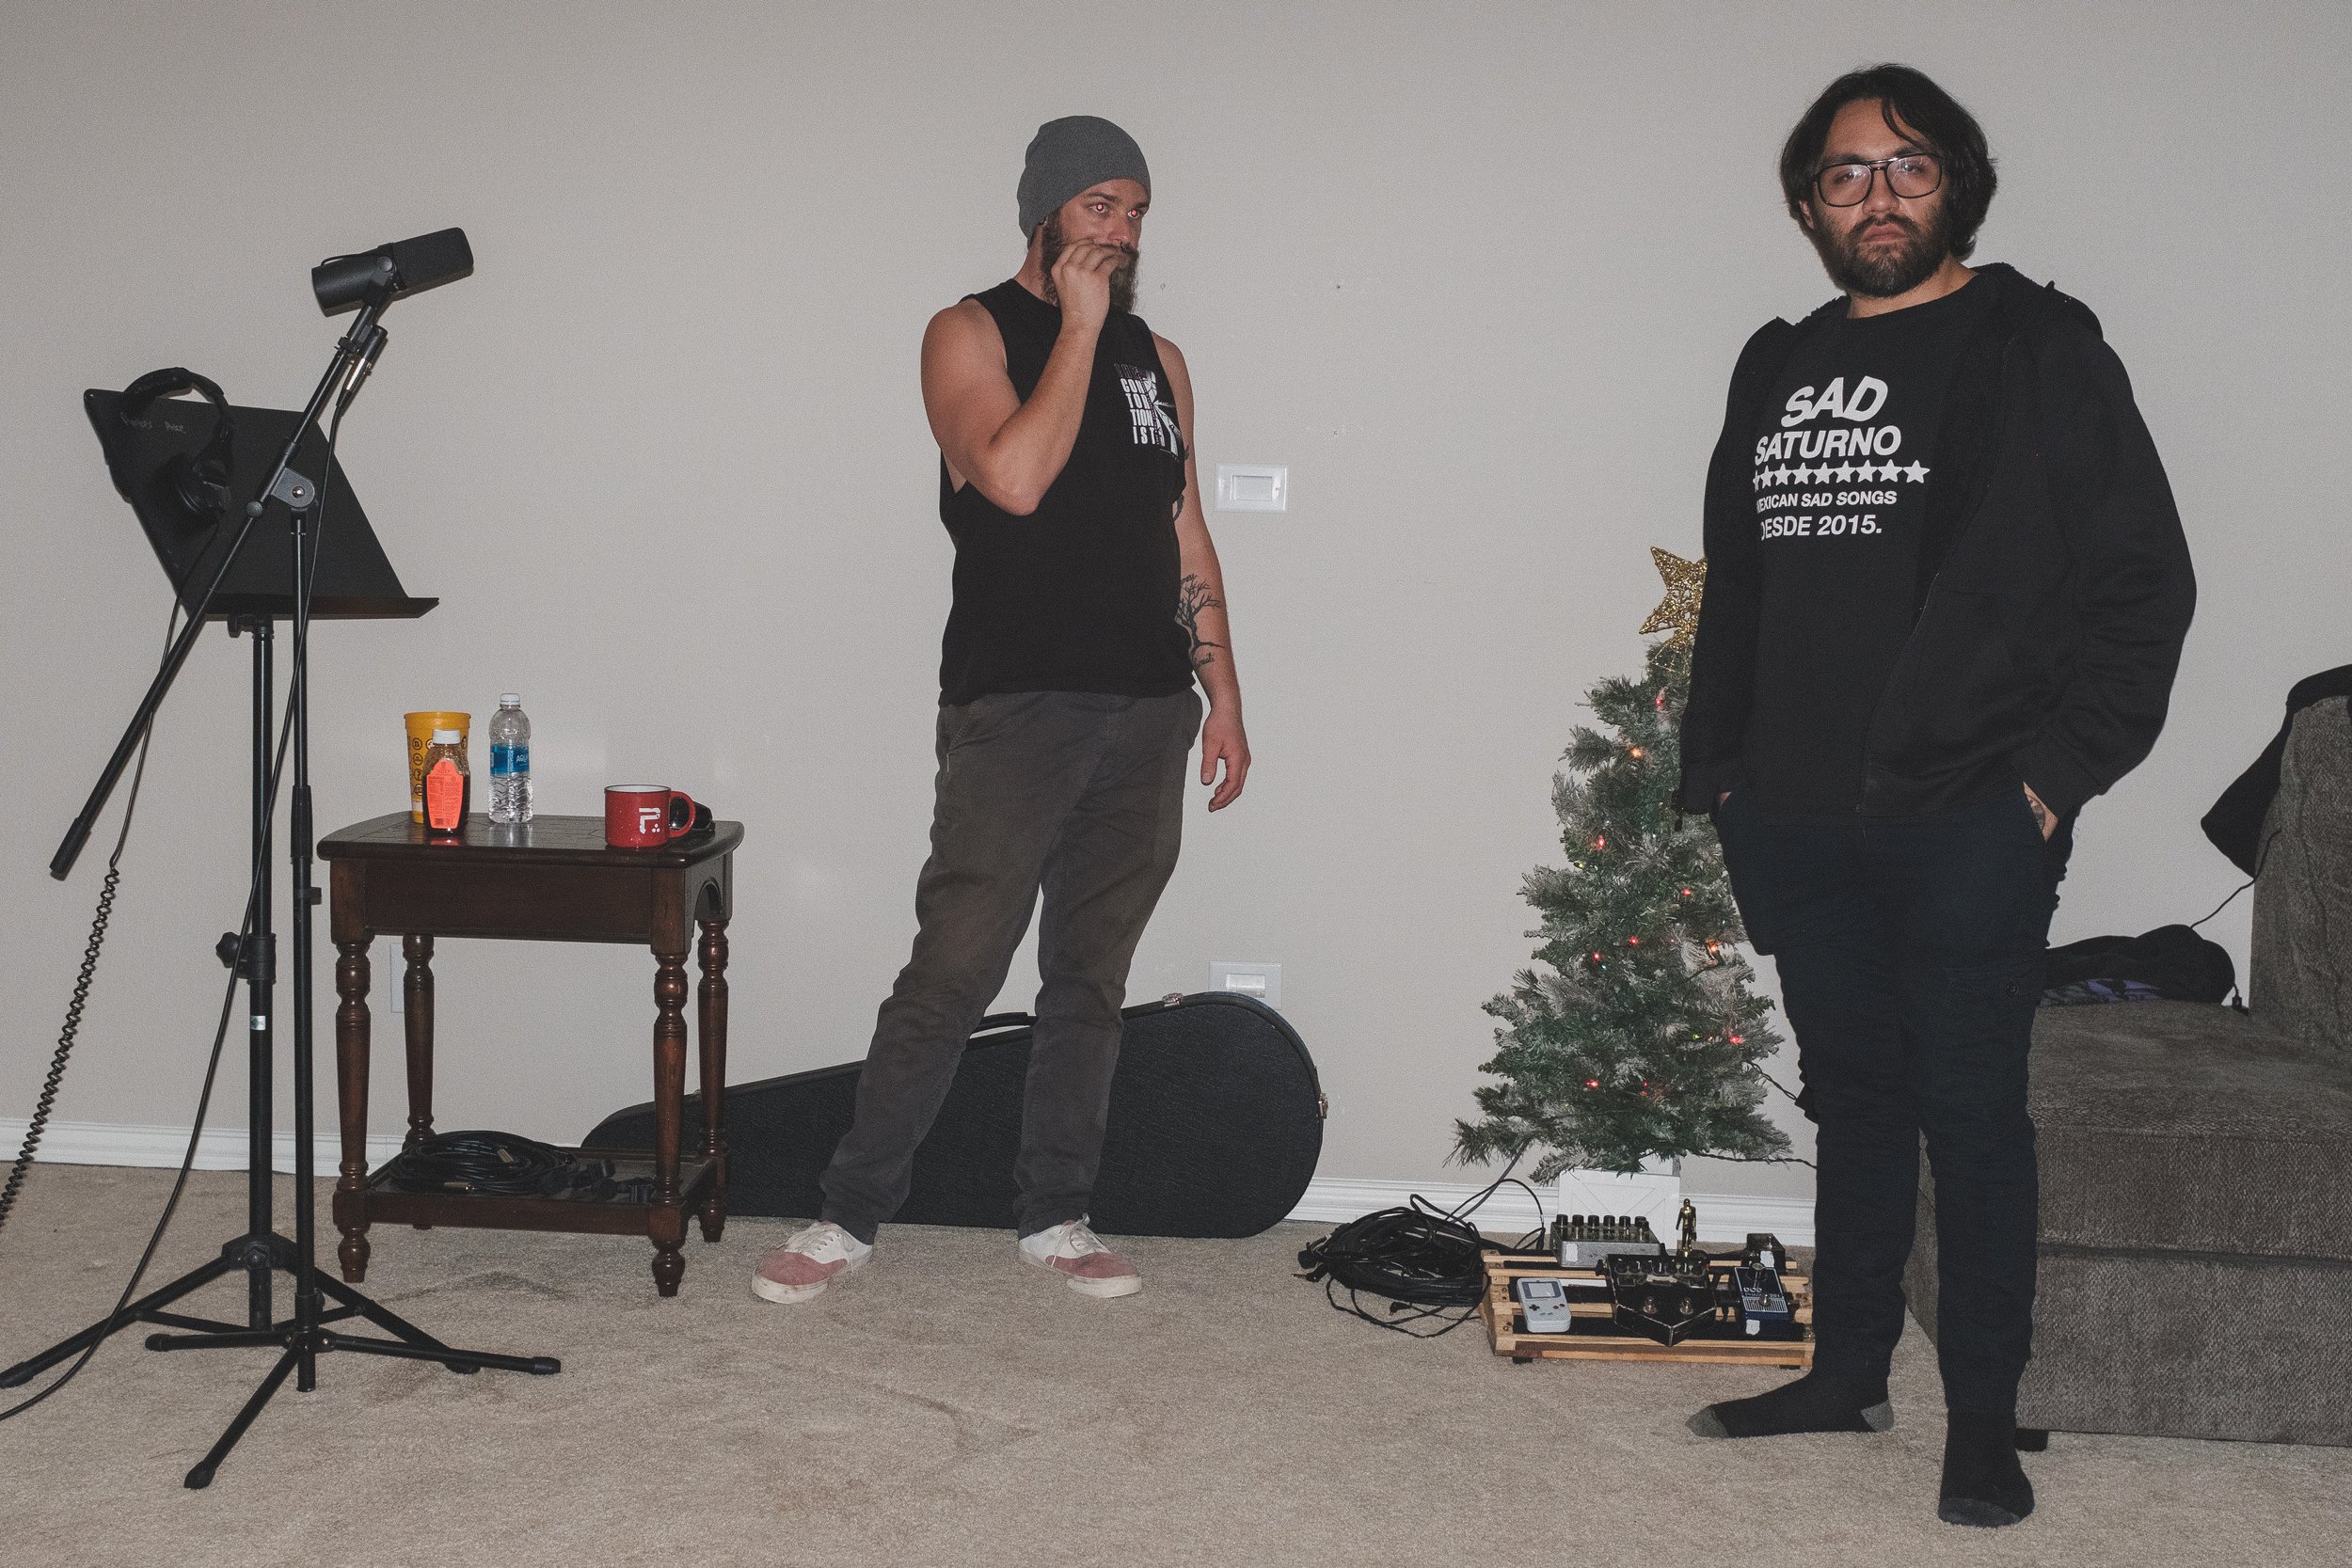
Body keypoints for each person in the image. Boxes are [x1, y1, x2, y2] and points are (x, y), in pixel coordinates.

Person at [1676, 65, 2193, 1527]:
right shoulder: (1776, 363)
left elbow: (2144, 583)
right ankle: (1847, 1371)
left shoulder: (2039, 350)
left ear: (1956, 183)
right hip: (1793, 809)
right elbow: (1740, 580)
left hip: (1969, 810)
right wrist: (1723, 775)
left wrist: (2050, 779)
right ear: (1808, 203)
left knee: (1971, 1114)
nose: (1879, 196)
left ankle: (1982, 1422)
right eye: (1848, 173)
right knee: (1854, 1097)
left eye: (1909, 167)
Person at [753, 115, 1249, 1307]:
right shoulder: (968, 332)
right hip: (1017, 704)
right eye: (1098, 207)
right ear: (1044, 210)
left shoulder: (1161, 361)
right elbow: (1014, 480)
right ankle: (847, 1211)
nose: (1121, 231)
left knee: (1089, 977)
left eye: (1135, 212)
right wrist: (1076, 328)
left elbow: (1184, 530)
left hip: (1148, 708)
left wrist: (1224, 692)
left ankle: (1057, 1213)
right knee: (955, 967)